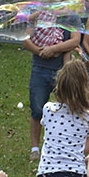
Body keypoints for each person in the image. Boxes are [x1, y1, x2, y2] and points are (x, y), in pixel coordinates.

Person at [25, 11, 81, 160]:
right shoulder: (39, 15)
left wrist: (53, 49)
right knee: (37, 109)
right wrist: (40, 51)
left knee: (67, 108)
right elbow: (25, 39)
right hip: (40, 68)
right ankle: (35, 148)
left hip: (63, 70)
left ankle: (63, 144)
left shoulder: (72, 16)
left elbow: (75, 40)